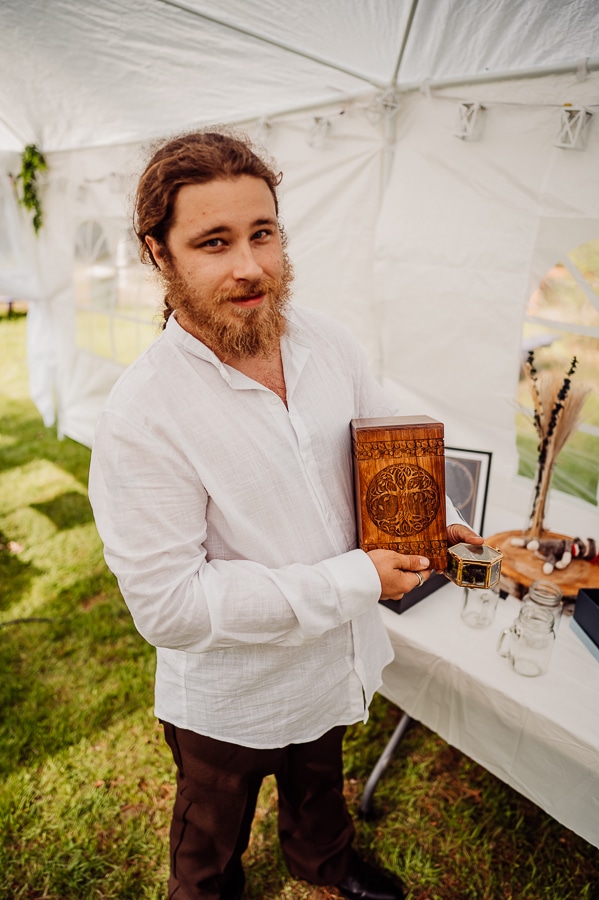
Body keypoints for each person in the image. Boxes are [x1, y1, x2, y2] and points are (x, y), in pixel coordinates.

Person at [88, 130, 482, 900]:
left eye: (262, 233)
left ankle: (322, 864)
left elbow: (386, 445)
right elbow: (170, 607)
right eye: (214, 241)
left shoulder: (326, 343)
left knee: (319, 789)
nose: (250, 266)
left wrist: (429, 522)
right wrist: (351, 579)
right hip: (231, 697)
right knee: (209, 835)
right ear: (158, 254)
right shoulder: (142, 415)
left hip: (330, 667)